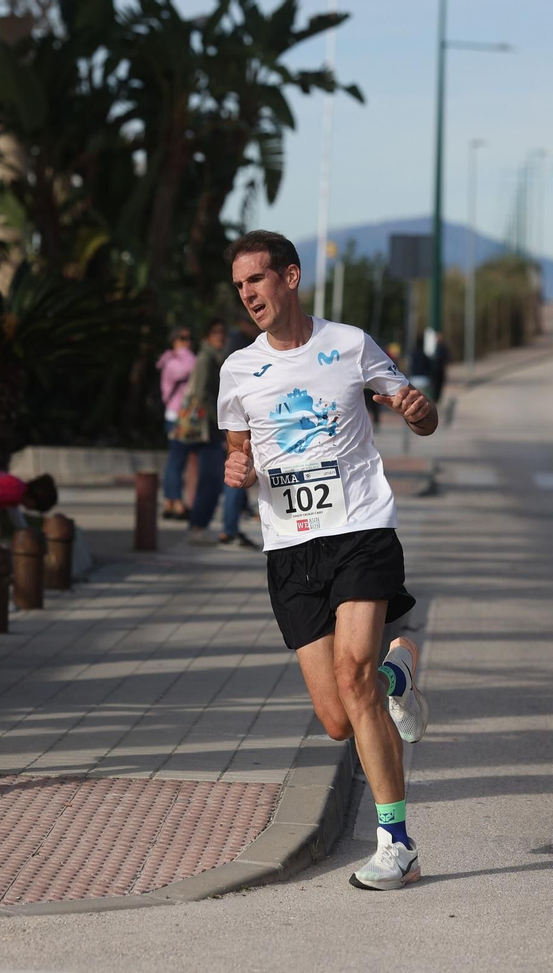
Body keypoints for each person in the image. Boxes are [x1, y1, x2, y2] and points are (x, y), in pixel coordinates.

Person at [219, 230, 436, 891]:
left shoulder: (349, 344)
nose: (249, 293)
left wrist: (419, 412)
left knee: (352, 674)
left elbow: (413, 412)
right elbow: (239, 446)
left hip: (360, 528)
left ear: (291, 277)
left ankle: (396, 841)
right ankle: (400, 675)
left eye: (257, 279)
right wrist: (238, 465)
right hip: (289, 548)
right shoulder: (237, 369)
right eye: (239, 286)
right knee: (340, 716)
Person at [178, 318, 258, 548]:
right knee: (213, 481)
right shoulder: (206, 359)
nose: (219, 336)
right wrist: (225, 423)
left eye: (222, 332)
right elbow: (201, 396)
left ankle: (207, 526)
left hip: (215, 431)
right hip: (210, 431)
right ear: (206, 336)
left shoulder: (218, 357)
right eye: (214, 333)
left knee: (215, 480)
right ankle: (202, 526)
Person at [157, 327, 198, 520]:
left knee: (177, 461)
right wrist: (184, 352)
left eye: (188, 338)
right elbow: (192, 367)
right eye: (182, 338)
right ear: (173, 341)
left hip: (182, 416)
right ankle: (175, 502)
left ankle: (170, 502)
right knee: (176, 461)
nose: (186, 342)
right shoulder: (173, 361)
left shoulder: (177, 359)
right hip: (176, 417)